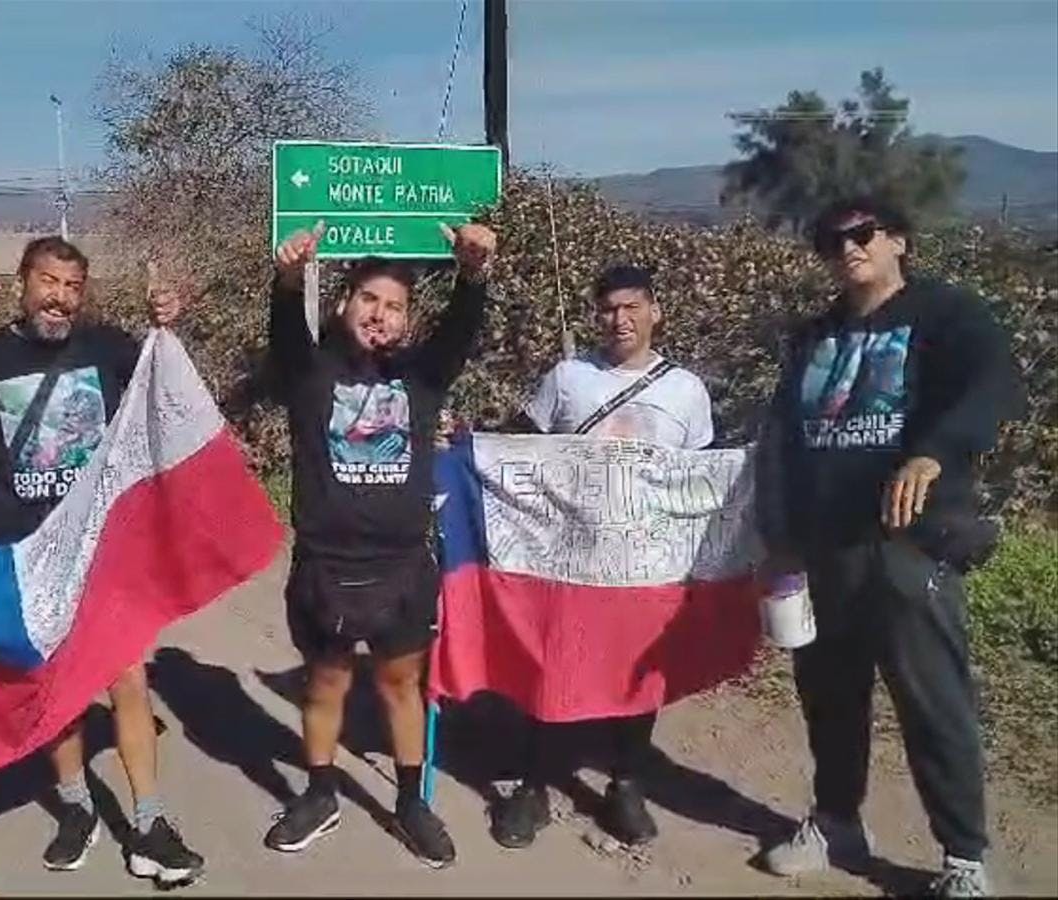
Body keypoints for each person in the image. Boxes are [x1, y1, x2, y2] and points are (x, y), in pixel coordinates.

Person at [0, 236, 200, 885]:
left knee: (127, 678)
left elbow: (165, 396)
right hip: (28, 554)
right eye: (48, 282)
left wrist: (166, 327)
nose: (59, 298)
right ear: (23, 283)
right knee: (57, 688)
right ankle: (76, 807)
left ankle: (148, 823)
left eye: (72, 286)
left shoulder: (109, 348)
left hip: (102, 547)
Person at [756, 196, 1022, 898]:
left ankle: (963, 858)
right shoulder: (815, 335)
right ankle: (837, 821)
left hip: (910, 545)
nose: (848, 248)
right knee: (830, 697)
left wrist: (934, 452)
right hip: (826, 548)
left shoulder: (947, 314)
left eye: (863, 234)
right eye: (831, 240)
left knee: (933, 703)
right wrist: (779, 537)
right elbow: (780, 436)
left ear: (898, 240)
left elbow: (991, 388)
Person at [262, 221, 497, 869]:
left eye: (394, 306)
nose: (380, 314)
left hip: (402, 568)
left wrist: (473, 276)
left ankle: (410, 802)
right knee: (326, 683)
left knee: (401, 685)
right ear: (344, 303)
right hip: (326, 567)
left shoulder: (422, 378)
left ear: (406, 320)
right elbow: (286, 333)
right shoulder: (311, 372)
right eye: (369, 298)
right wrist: (288, 280)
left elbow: (460, 331)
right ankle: (319, 795)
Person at [487, 263, 714, 851]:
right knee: (555, 667)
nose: (620, 319)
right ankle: (534, 784)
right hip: (570, 558)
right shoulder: (568, 378)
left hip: (649, 564)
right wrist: (466, 453)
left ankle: (625, 785)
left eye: (632, 306)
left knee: (639, 678)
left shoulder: (686, 390)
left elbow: (701, 476)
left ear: (655, 311)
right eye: (609, 308)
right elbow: (520, 447)